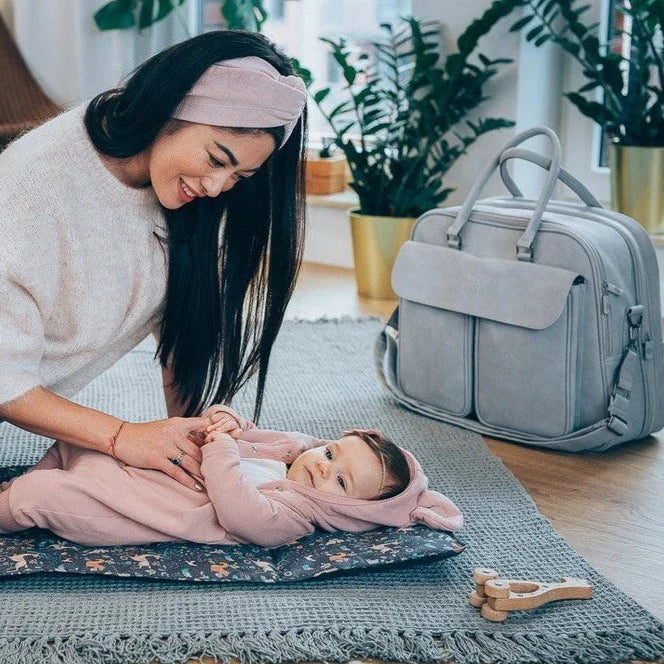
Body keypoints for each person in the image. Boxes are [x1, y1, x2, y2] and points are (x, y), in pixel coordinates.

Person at [0, 31, 308, 494]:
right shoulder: (31, 186)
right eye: (216, 159)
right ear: (171, 110)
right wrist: (124, 437)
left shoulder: (188, 195)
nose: (218, 185)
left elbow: (185, 327)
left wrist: (200, 438)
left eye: (240, 175)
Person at [0, 406, 464, 548]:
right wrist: (228, 424)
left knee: (46, 495)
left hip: (136, 510)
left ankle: (10, 506)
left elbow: (244, 515)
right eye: (330, 452)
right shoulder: (294, 452)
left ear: (350, 511)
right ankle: (23, 485)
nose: (322, 464)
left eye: (339, 482)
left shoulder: (296, 515)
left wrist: (221, 451)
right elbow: (249, 433)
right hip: (151, 474)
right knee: (78, 443)